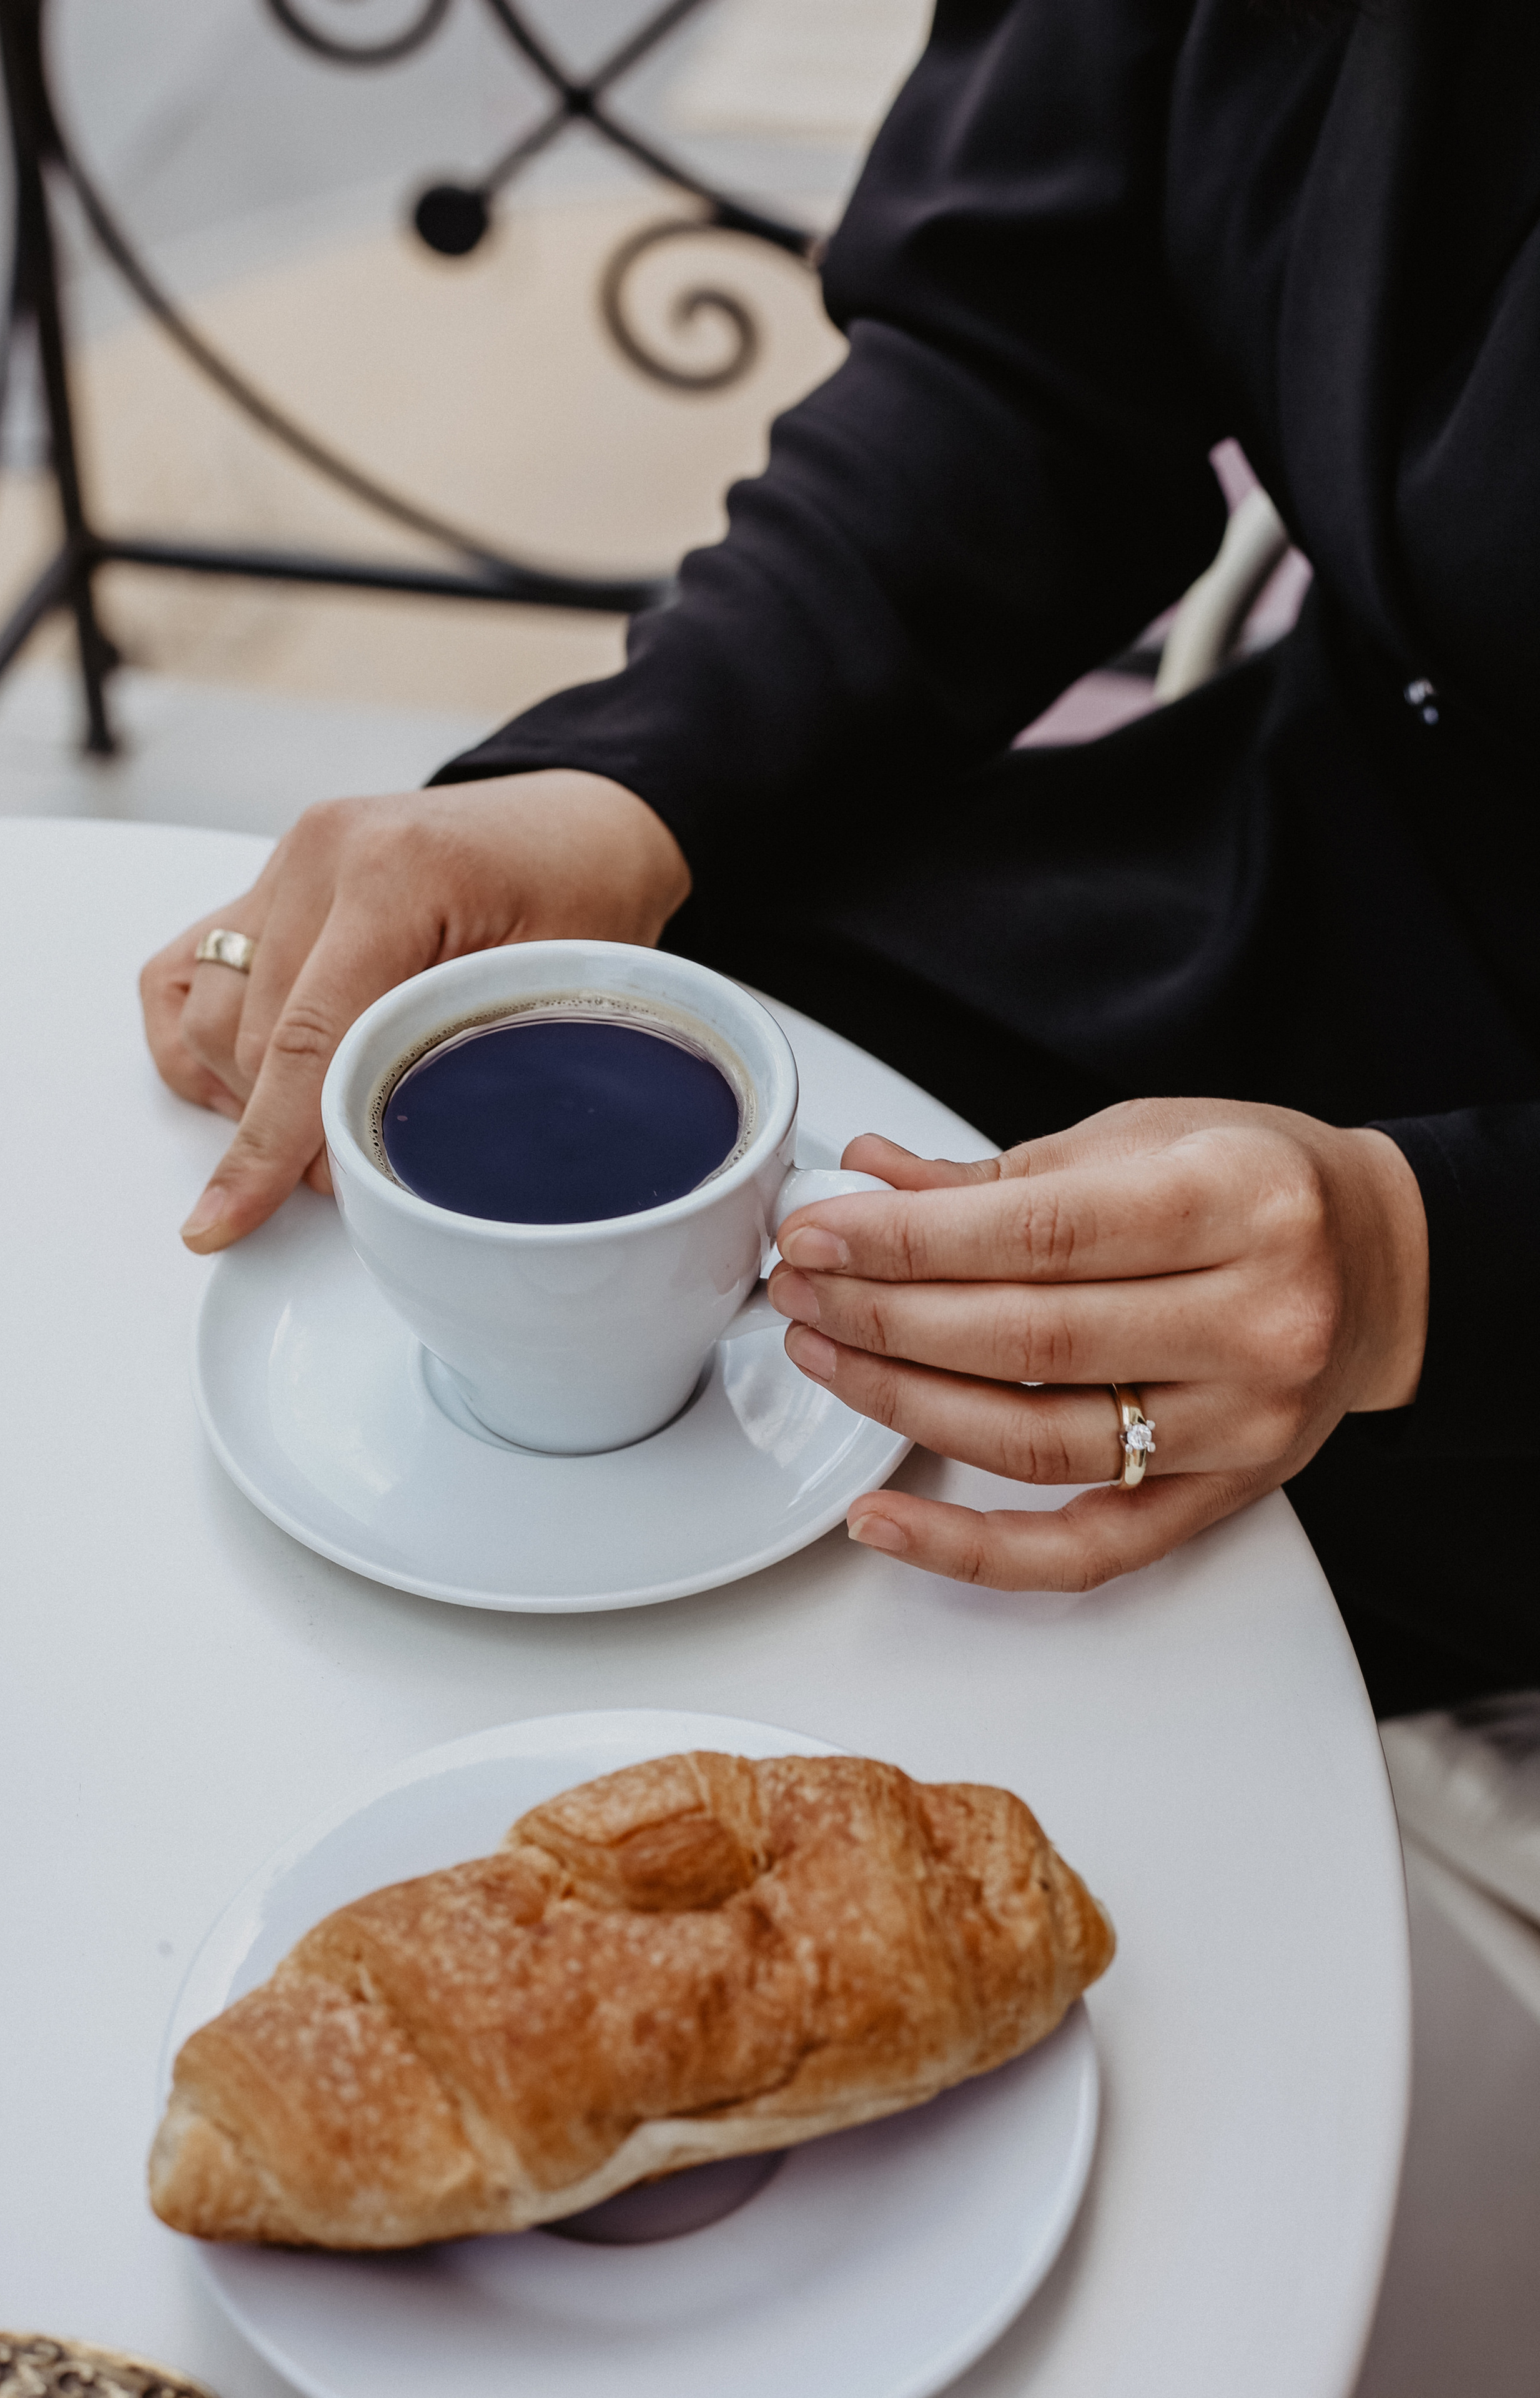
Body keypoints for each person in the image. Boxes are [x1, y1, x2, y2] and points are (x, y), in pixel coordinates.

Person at [141, 0, 1540, 1719]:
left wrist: (1430, 1271)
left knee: (977, 1687)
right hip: (1272, 870)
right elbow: (1030, 352)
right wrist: (620, 785)